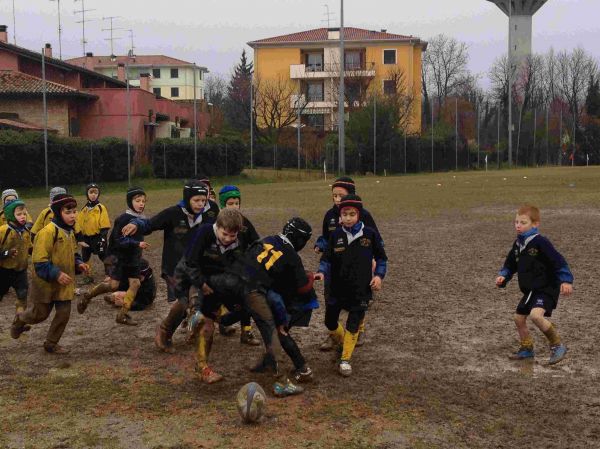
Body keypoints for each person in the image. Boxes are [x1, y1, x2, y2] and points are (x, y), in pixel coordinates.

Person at [167, 208, 252, 382]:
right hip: (189, 276)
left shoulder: (240, 239)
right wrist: (201, 283)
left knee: (208, 325)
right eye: (225, 234)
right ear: (217, 226)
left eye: (232, 236)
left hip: (214, 282)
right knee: (198, 313)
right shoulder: (204, 232)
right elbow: (190, 263)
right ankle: (189, 316)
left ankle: (202, 367)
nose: (228, 239)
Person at [315, 194, 387, 377]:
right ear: (340, 216)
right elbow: (326, 258)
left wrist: (378, 276)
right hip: (337, 288)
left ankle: (345, 359)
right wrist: (321, 271)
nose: (348, 217)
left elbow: (381, 258)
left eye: (352, 214)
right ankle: (341, 342)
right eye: (344, 214)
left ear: (359, 215)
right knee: (329, 321)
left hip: (360, 290)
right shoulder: (336, 235)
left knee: (353, 324)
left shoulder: (370, 235)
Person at [242, 217, 318, 391]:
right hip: (285, 298)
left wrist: (283, 318)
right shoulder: (291, 255)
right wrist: (310, 276)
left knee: (279, 332)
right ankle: (269, 362)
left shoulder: (267, 239)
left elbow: (301, 288)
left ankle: (302, 369)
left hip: (294, 302)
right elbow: (302, 285)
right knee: (273, 329)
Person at [10, 194, 90, 354]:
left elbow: (73, 253)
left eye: (75, 211)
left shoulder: (70, 232)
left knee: (64, 313)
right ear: (58, 212)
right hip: (45, 284)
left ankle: (51, 343)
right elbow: (39, 262)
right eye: (68, 212)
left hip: (64, 284)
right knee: (39, 315)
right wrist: (56, 274)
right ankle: (20, 320)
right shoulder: (47, 232)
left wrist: (79, 263)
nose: (73, 215)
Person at [495, 205, 573, 365]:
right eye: (516, 222)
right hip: (531, 290)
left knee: (536, 316)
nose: (518, 225)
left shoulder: (541, 242)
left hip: (546, 287)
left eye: (523, 222)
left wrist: (566, 280)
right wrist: (503, 276)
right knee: (518, 318)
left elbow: (558, 261)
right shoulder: (518, 245)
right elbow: (510, 265)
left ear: (535, 224)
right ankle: (527, 348)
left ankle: (558, 346)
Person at [77, 186, 149, 325]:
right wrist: (136, 244)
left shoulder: (142, 219)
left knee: (135, 284)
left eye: (143, 201)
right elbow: (117, 240)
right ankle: (88, 295)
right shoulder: (123, 218)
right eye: (137, 200)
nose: (141, 204)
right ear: (129, 202)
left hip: (134, 259)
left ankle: (122, 315)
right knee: (113, 285)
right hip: (121, 259)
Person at [216, 184, 261, 345]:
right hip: (221, 271)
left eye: (237, 203)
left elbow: (256, 242)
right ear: (222, 205)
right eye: (230, 204)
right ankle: (218, 323)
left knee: (245, 299)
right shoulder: (216, 223)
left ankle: (246, 332)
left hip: (242, 270)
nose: (235, 207)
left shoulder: (244, 223)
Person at [0, 199, 33, 313]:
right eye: (19, 214)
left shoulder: (25, 231)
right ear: (10, 215)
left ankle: (19, 322)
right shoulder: (3, 231)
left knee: (23, 294)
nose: (23, 216)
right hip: (4, 271)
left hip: (21, 270)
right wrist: (6, 253)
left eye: (24, 214)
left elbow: (29, 247)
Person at [76, 183, 111, 284]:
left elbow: (105, 225)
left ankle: (110, 274)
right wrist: (80, 237)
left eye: (96, 192)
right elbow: (79, 224)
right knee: (85, 258)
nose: (93, 195)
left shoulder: (101, 208)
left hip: (98, 237)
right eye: (91, 192)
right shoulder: (84, 209)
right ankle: (88, 276)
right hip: (86, 238)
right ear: (87, 194)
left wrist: (103, 238)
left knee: (104, 256)